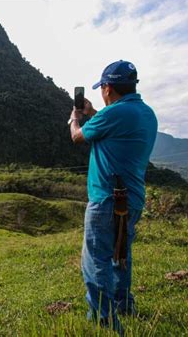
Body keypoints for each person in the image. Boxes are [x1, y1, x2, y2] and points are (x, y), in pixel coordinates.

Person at [68, 60, 158, 335]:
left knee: (96, 259)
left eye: (102, 88)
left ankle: (103, 319)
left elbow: (78, 137)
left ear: (107, 88)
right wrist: (93, 112)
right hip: (131, 198)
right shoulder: (144, 112)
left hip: (106, 198)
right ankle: (123, 305)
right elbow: (111, 127)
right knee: (120, 254)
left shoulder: (115, 114)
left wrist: (74, 118)